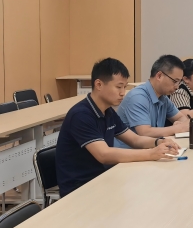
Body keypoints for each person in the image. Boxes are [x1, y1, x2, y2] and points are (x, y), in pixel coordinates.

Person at [56, 58, 181, 197]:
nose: (123, 92)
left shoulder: (108, 111)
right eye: (118, 87)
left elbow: (135, 140)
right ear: (99, 84)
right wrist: (150, 154)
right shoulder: (81, 115)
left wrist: (159, 142)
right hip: (79, 188)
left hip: (104, 178)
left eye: (124, 87)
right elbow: (104, 155)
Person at [115, 55, 189, 148]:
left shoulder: (163, 97)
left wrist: (180, 124)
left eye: (179, 82)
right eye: (175, 81)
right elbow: (145, 132)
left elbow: (181, 117)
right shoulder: (138, 97)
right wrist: (176, 128)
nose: (177, 87)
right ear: (159, 76)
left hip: (151, 149)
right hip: (128, 153)